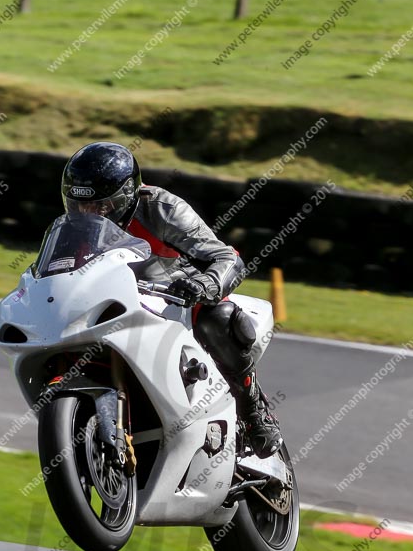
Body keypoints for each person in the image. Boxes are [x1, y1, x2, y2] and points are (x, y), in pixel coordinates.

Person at [61, 142, 282, 459]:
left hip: (175, 299)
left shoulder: (160, 209)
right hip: (119, 306)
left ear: (126, 197)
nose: (89, 213)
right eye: (81, 205)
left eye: (102, 206)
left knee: (218, 318)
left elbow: (225, 257)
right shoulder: (73, 227)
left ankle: (253, 413)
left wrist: (204, 284)